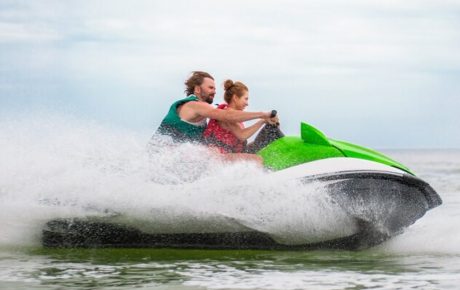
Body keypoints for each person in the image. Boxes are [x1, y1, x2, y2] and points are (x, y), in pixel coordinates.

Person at [156, 71, 275, 144]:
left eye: (214, 88)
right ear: (197, 89)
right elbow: (226, 116)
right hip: (160, 158)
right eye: (210, 88)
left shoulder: (206, 110)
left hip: (180, 160)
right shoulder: (193, 105)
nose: (214, 91)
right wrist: (262, 114)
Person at [203, 79, 284, 164]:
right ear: (235, 98)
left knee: (271, 130)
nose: (247, 103)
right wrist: (262, 119)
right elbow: (242, 135)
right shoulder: (227, 115)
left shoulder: (237, 116)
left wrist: (266, 122)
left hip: (234, 152)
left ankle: (288, 149)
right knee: (257, 159)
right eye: (245, 99)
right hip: (221, 156)